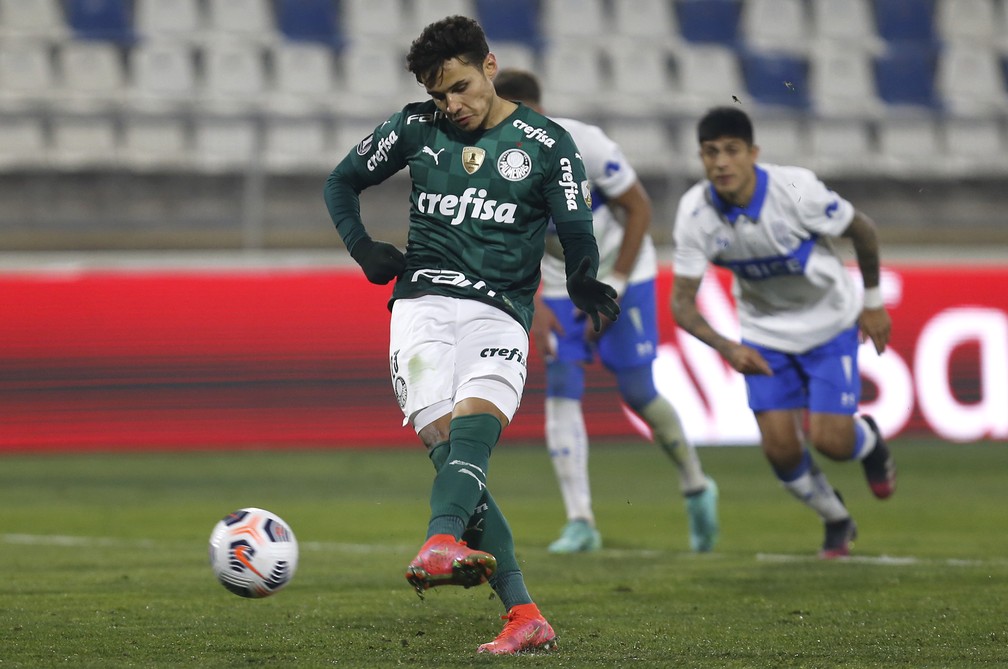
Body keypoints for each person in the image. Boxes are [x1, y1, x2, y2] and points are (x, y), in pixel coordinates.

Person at [323, 16, 619, 655]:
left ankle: (439, 540)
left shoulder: (547, 143)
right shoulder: (414, 126)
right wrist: (363, 247)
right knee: (452, 458)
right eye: (438, 95)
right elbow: (340, 181)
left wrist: (587, 280)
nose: (449, 105)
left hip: (499, 309)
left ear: (489, 66)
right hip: (420, 307)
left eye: (458, 87)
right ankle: (524, 613)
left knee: (473, 438)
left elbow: (574, 225)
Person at [492, 69, 719, 554]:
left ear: (534, 113)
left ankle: (698, 486)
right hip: (556, 283)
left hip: (622, 271)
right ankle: (581, 521)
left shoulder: (585, 144)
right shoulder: (491, 161)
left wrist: (612, 285)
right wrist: (533, 298)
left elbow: (637, 208)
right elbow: (508, 236)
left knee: (638, 392)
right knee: (561, 386)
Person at [670, 106, 897, 559]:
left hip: (828, 322)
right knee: (781, 451)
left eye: (731, 151)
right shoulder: (695, 212)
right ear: (700, 157)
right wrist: (728, 347)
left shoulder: (796, 189)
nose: (720, 163)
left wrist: (873, 303)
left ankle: (868, 441)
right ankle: (837, 519)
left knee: (832, 442)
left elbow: (864, 231)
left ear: (753, 154)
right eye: (710, 153)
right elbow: (681, 303)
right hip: (764, 335)